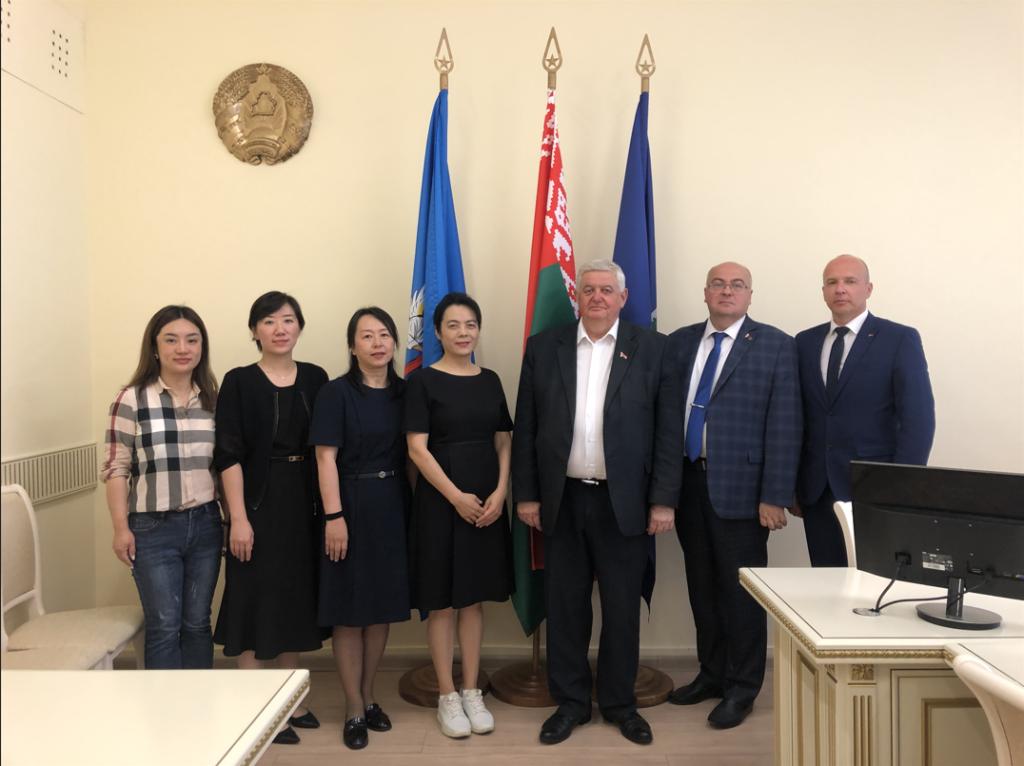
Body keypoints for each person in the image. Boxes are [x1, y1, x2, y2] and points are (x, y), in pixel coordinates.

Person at [512, 259, 681, 747]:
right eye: (589, 289)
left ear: (623, 298)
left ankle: (619, 704)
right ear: (578, 297)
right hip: (562, 500)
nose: (598, 298)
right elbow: (527, 426)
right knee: (565, 607)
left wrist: (663, 501)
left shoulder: (653, 349)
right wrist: (527, 494)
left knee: (622, 609)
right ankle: (570, 703)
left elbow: (668, 432)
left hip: (624, 502)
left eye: (607, 290)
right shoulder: (545, 348)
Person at [665, 262, 802, 729]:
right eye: (719, 284)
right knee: (701, 588)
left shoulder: (776, 345)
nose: (727, 291)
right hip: (688, 485)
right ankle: (712, 674)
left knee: (740, 595)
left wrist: (775, 495)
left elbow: (786, 423)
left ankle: (743, 688)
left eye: (737, 285)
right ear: (705, 293)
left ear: (749, 295)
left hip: (745, 494)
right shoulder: (679, 342)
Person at [212, 291, 328, 746]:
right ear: (254, 330)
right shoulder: (239, 381)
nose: (280, 329)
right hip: (257, 503)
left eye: (288, 320)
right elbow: (228, 455)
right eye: (269, 321)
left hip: (304, 503)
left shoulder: (316, 377)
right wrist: (238, 518)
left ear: (300, 327)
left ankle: (290, 699)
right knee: (253, 598)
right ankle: (255, 704)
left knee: (294, 598)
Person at [404, 292, 513, 740]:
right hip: (440, 501)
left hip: (487, 499)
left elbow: (503, 439)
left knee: (473, 598)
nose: (463, 332)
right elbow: (416, 449)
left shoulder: (490, 379)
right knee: (443, 602)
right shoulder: (422, 381)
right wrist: (455, 498)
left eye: (470, 324)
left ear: (478, 330)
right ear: (437, 332)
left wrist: (501, 491)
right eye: (453, 325)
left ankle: (472, 690)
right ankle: (447, 695)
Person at [310, 307, 411, 750]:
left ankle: (370, 696)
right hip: (349, 506)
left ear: (395, 342)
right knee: (349, 613)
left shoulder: (407, 393)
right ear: (352, 346)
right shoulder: (335, 393)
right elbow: (325, 458)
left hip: (394, 506)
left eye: (384, 334)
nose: (377, 343)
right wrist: (334, 517)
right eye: (366, 336)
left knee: (380, 609)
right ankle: (352, 705)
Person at [794, 254, 935, 566]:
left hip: (874, 489)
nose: (840, 289)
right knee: (825, 582)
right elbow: (796, 418)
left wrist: (902, 487)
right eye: (832, 282)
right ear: (823, 291)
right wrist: (792, 485)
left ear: (868, 289)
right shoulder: (804, 342)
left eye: (850, 281)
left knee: (871, 582)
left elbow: (918, 420)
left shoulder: (899, 339)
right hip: (817, 490)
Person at [101, 305, 222, 670]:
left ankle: (198, 701)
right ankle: (164, 706)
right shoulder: (132, 398)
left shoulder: (213, 398)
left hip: (206, 524)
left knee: (197, 623)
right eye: (171, 340)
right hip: (152, 528)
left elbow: (224, 466)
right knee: (165, 626)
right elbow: (116, 468)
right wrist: (120, 529)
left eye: (191, 340)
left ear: (201, 347)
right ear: (154, 348)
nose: (182, 348)